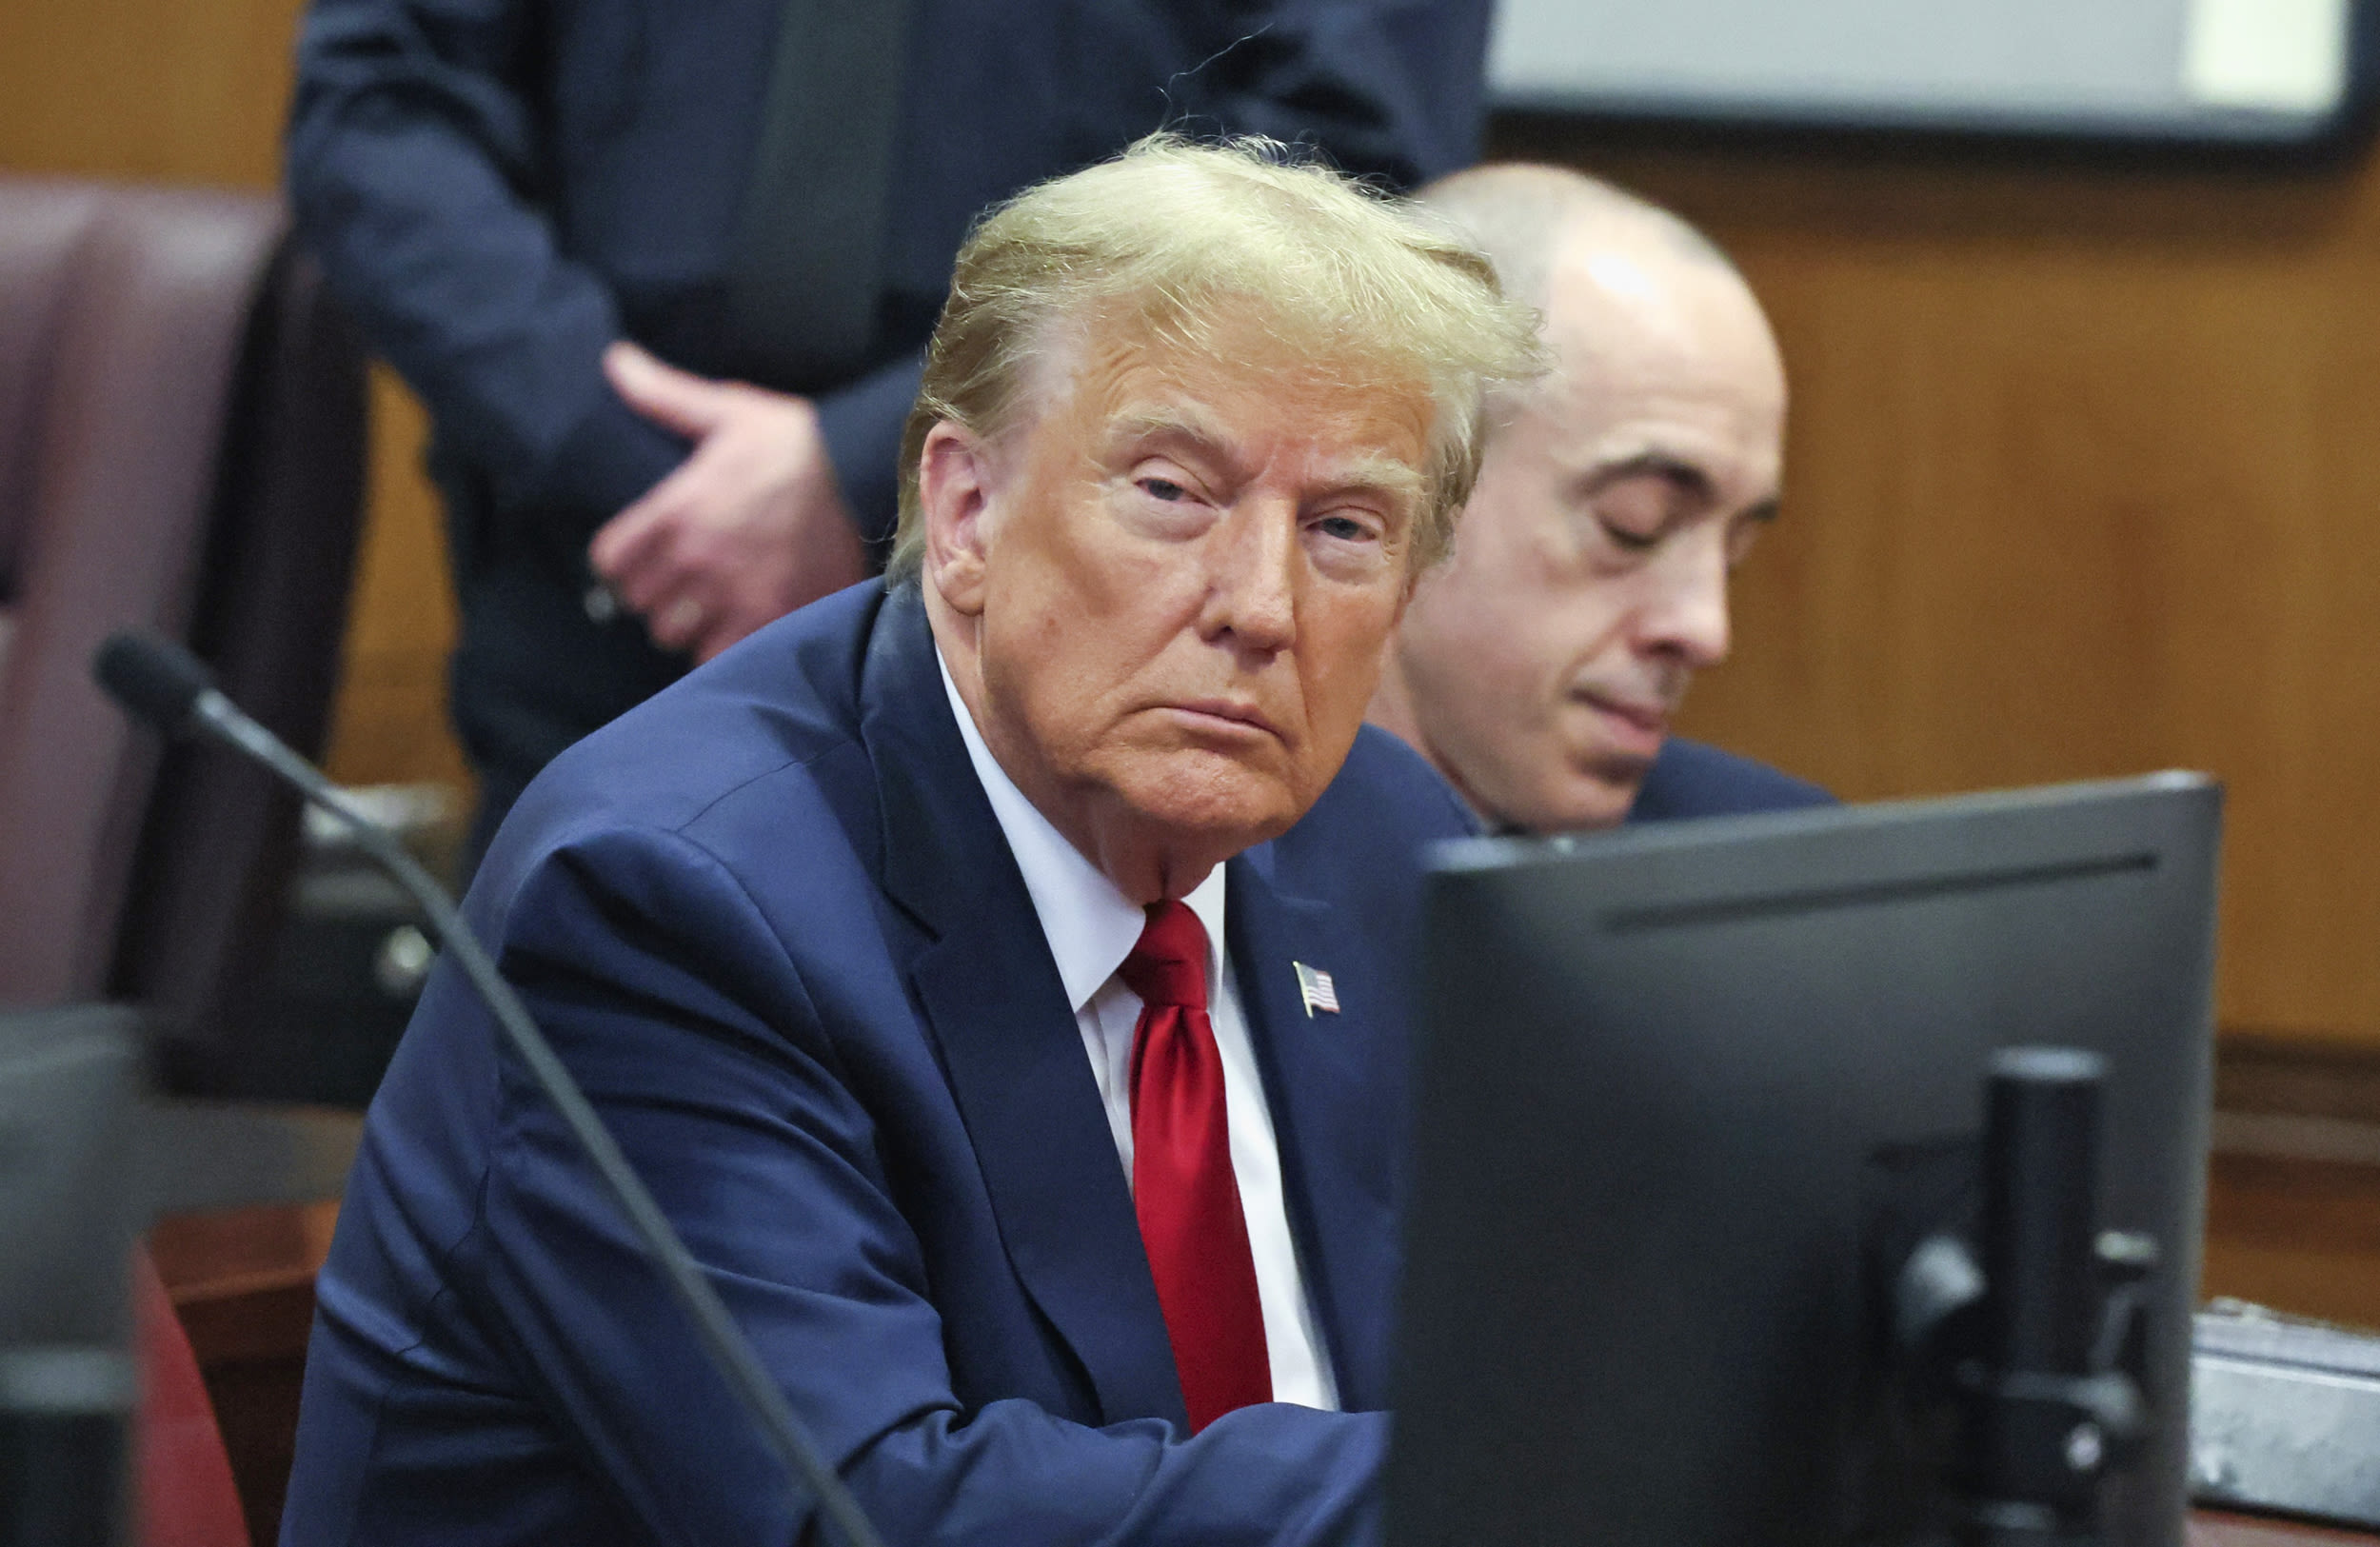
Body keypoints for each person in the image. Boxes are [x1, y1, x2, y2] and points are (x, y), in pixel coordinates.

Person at [281, 137, 1543, 1545]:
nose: (1260, 603)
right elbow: (873, 1509)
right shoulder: (671, 903)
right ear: (965, 512)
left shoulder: (1383, 844)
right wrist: (1539, 1493)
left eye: (1345, 527)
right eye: (1171, 492)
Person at [284, 0, 1500, 856]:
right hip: (608, 570)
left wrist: (869, 462)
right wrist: (624, 454)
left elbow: (1338, 158)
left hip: (1107, 588)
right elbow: (382, 104)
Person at [1369, 164, 1830, 830]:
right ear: (1400, 481)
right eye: (1634, 525)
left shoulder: (1775, 858)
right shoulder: (1224, 867)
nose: (1706, 631)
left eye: (1734, 556)